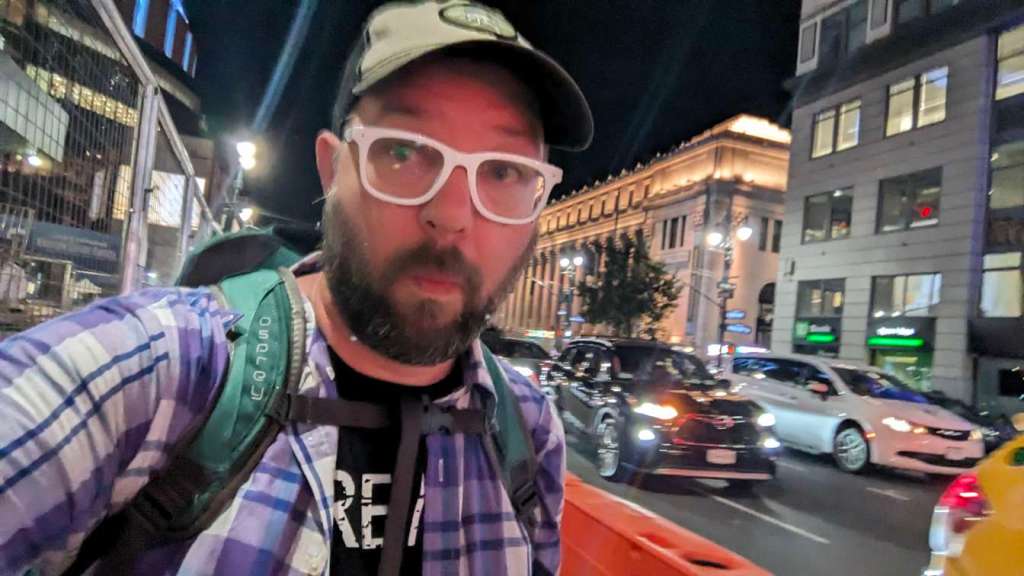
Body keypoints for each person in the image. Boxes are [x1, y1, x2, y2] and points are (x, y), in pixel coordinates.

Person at [0, 1, 593, 574]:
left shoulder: (528, 429)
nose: (453, 214)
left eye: (504, 172)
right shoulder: (160, 373)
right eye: (405, 151)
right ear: (333, 170)